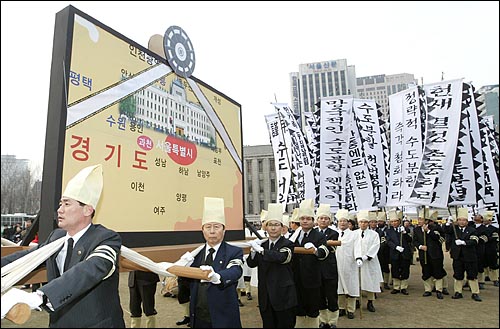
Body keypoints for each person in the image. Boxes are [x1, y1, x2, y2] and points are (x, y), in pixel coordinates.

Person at [1, 164, 125, 327]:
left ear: (87, 210)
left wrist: (40, 297)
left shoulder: (106, 238)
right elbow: (27, 259)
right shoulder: (56, 238)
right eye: (60, 204)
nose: (60, 210)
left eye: (67, 204)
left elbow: (91, 269)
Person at [189, 197, 244, 328]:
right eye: (208, 227)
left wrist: (217, 277)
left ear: (224, 230)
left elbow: (235, 270)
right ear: (202, 230)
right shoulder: (195, 255)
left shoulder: (234, 251)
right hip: (199, 318)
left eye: (216, 227)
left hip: (223, 317)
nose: (212, 231)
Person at [247, 203, 297, 328]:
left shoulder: (288, 244)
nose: (273, 228)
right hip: (265, 295)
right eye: (270, 225)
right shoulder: (262, 245)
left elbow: (282, 258)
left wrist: (262, 251)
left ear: (282, 228)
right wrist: (253, 251)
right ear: (265, 227)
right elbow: (251, 264)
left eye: (276, 225)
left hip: (283, 294)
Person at [291, 199, 329, 328]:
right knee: (298, 306)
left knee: (313, 307)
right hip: (296, 277)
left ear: (313, 221)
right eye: (302, 218)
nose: (305, 221)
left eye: (308, 219)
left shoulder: (319, 236)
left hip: (312, 278)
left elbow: (324, 252)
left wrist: (315, 250)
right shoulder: (294, 235)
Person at [444, 207, 482, 302]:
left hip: (470, 256)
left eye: (463, 220)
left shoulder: (472, 230)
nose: (461, 222)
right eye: (459, 220)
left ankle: (475, 293)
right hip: (457, 256)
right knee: (458, 275)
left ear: (467, 221)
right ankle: (458, 292)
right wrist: (448, 222)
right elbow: (445, 230)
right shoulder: (454, 229)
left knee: (472, 275)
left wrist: (464, 242)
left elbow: (475, 240)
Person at [315, 203, 340, 328]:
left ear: (329, 220)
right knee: (319, 296)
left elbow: (329, 247)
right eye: (321, 218)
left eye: (326, 218)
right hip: (316, 270)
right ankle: (323, 320)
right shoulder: (313, 232)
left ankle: (333, 321)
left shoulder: (334, 233)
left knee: (331, 295)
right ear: (317, 219)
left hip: (329, 269)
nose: (323, 220)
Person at [413, 208, 447, 299]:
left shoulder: (435, 228)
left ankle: (439, 289)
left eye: (421, 219)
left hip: (435, 254)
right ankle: (428, 289)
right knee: (426, 271)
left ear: (427, 220)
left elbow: (438, 238)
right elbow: (414, 241)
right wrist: (420, 246)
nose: (419, 221)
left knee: (437, 271)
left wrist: (428, 231)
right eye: (419, 219)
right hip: (423, 254)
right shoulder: (416, 230)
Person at [355, 210, 383, 313]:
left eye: (365, 222)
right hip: (357, 262)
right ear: (358, 223)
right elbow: (353, 246)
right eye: (361, 222)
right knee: (357, 281)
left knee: (371, 281)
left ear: (368, 223)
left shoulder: (374, 234)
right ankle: (357, 300)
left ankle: (370, 301)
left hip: (370, 261)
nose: (363, 224)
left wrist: (366, 256)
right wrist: (358, 257)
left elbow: (376, 246)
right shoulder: (354, 234)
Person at [335, 209, 359, 320]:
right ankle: (341, 307)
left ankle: (350, 309)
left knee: (351, 286)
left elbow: (358, 247)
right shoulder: (334, 234)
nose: (343, 223)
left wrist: (358, 257)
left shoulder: (354, 235)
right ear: (338, 222)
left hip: (351, 264)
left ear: (348, 222)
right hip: (337, 264)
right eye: (340, 221)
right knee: (339, 287)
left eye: (345, 221)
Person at [386, 209, 412, 295]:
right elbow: (388, 241)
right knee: (395, 269)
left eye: (395, 221)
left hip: (405, 253)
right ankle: (396, 287)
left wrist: (404, 233)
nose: (394, 223)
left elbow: (410, 240)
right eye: (392, 221)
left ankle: (404, 287)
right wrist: (396, 247)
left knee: (405, 269)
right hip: (395, 253)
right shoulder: (389, 231)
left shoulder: (405, 229)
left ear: (399, 221)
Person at [482, 211, 499, 287]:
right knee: (483, 263)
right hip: (482, 248)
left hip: (491, 248)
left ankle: (495, 279)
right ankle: (485, 276)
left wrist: (486, 238)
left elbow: (495, 237)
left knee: (493, 264)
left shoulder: (494, 229)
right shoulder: (479, 228)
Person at [376, 211, 391, 290]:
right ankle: (380, 284)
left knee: (385, 267)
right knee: (379, 268)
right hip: (378, 251)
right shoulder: (376, 230)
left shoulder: (388, 230)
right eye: (378, 221)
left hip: (386, 251)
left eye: (381, 221)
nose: (379, 223)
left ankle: (386, 282)